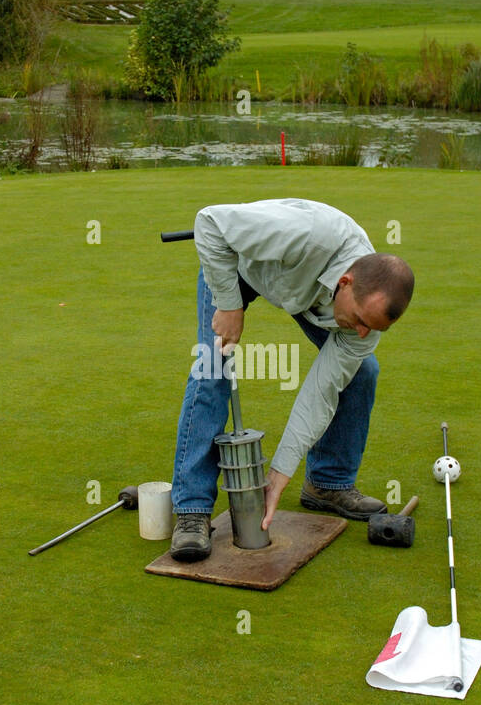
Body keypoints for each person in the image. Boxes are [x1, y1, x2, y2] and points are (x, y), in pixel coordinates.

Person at [169, 198, 414, 562]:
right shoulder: (304, 235)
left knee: (363, 370)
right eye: (361, 320)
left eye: (374, 328)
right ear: (345, 283)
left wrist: (278, 477)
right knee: (212, 368)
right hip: (235, 270)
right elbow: (209, 223)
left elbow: (319, 394)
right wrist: (229, 305)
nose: (363, 333)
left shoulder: (366, 324)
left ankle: (327, 483)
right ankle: (191, 509)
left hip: (301, 292)